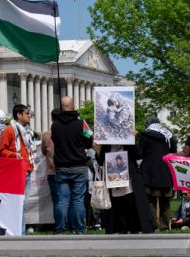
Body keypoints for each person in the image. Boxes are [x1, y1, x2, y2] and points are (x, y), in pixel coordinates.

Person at [51, 96, 93, 234]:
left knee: (62, 200)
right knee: (78, 199)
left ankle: (60, 229)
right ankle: (79, 228)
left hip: (61, 167)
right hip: (79, 166)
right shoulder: (82, 124)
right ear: (73, 106)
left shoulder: (55, 125)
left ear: (62, 107)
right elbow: (89, 142)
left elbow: (55, 140)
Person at [98, 144, 154, 234]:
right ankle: (122, 227)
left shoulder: (129, 143)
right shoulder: (107, 145)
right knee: (117, 203)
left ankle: (133, 226)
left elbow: (139, 154)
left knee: (131, 201)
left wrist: (132, 141)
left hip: (129, 176)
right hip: (113, 177)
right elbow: (100, 160)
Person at [0, 104, 35, 235]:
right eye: (27, 113)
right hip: (16, 170)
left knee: (23, 205)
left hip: (26, 170)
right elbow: (2, 150)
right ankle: (17, 231)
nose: (29, 115)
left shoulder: (27, 131)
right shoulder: (9, 130)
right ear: (19, 115)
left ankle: (21, 231)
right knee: (17, 204)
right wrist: (15, 155)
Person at [137, 116, 177, 230]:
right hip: (166, 172)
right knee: (165, 202)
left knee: (150, 200)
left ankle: (153, 225)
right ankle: (165, 225)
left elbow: (139, 152)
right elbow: (173, 152)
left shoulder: (145, 135)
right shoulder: (169, 136)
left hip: (149, 173)